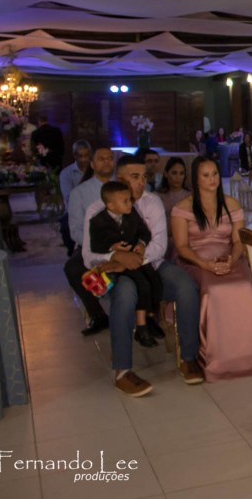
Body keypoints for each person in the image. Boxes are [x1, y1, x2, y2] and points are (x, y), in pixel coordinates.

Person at [82, 154, 204, 396]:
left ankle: (188, 357)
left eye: (144, 176)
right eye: (135, 177)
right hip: (118, 271)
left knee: (186, 286)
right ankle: (123, 371)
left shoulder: (152, 202)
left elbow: (159, 245)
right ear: (120, 179)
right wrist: (116, 257)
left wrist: (133, 260)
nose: (141, 182)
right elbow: (88, 255)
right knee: (126, 294)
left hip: (151, 265)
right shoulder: (97, 209)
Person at [171, 156, 252, 381]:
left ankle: (245, 356)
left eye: (215, 174)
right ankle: (213, 358)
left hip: (228, 258)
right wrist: (205, 264)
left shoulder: (231, 204)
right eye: (206, 175)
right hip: (196, 261)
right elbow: (181, 246)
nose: (212, 179)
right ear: (196, 179)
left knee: (244, 286)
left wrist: (232, 259)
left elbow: (238, 241)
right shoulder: (182, 207)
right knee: (214, 290)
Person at [87, 181, 163, 348]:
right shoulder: (97, 222)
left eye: (130, 200)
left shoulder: (131, 214)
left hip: (136, 257)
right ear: (111, 205)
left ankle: (150, 317)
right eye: (125, 201)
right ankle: (141, 328)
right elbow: (95, 246)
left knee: (154, 281)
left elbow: (144, 231)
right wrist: (112, 247)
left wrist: (141, 243)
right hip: (121, 262)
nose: (130, 204)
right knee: (142, 285)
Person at [64, 146, 116, 335]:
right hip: (91, 245)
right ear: (92, 164)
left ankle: (143, 317)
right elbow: (75, 230)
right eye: (102, 158)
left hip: (121, 244)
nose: (107, 162)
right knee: (73, 268)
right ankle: (98, 315)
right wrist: (97, 246)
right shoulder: (79, 192)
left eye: (110, 158)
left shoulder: (122, 187)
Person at [59, 139, 92, 256]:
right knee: (65, 227)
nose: (84, 159)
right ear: (74, 155)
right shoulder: (66, 173)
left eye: (86, 156)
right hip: (74, 211)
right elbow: (69, 197)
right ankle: (72, 252)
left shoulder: (95, 171)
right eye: (80, 156)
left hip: (94, 208)